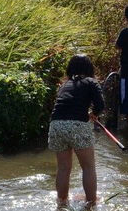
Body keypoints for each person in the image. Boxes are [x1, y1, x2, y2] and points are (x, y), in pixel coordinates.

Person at [48, 54, 105, 208]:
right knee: (88, 166)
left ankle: (61, 204)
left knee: (63, 168)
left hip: (56, 124)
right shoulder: (91, 82)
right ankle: (91, 204)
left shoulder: (65, 85)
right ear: (89, 68)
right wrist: (94, 114)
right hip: (77, 124)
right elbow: (100, 105)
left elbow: (65, 104)